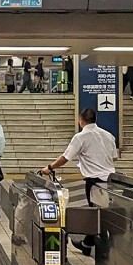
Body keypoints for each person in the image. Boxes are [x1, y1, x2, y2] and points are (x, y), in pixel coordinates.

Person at [40, 108, 117, 257]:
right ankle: (87, 244)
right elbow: (114, 157)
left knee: (97, 214)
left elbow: (65, 157)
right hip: (111, 180)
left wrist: (49, 168)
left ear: (81, 120)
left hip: (95, 182)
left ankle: (99, 247)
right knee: (101, 212)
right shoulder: (109, 135)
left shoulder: (80, 137)